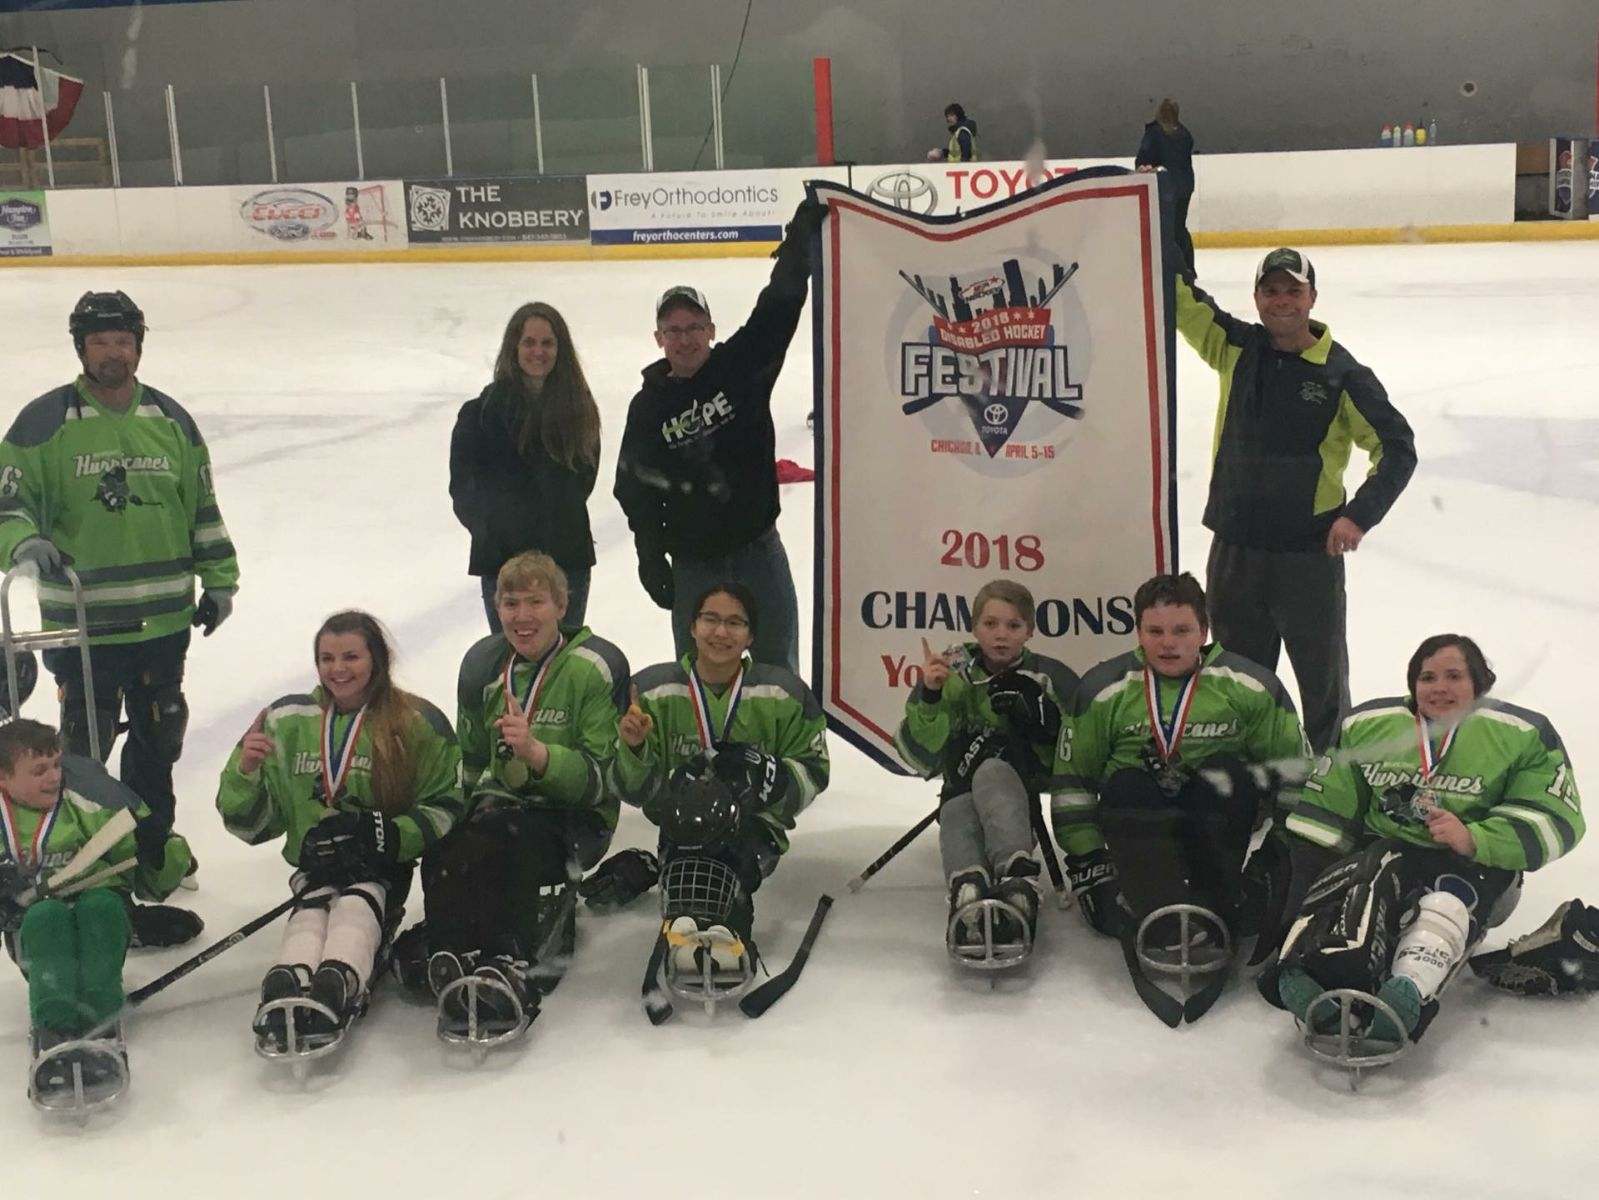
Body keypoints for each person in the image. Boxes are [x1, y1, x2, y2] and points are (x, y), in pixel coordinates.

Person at [0, 290, 239, 946]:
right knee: (83, 755)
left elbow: (202, 510)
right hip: (86, 629)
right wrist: (21, 543)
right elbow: (9, 503)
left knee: (159, 746)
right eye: (100, 340)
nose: (113, 350)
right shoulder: (44, 423)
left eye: (122, 338)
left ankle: (151, 856)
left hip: (163, 626)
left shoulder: (170, 420)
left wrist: (219, 581)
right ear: (82, 348)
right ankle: (83, 872)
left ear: (138, 343)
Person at [1261, 634, 1584, 1044]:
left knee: (1445, 906)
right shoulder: (1367, 726)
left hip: (1475, 866)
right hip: (1387, 854)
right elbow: (1328, 811)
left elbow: (1558, 817)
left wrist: (1474, 837)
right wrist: (1306, 890)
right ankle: (1306, 971)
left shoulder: (1523, 734)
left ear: (1479, 683)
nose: (1440, 688)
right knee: (1352, 886)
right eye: (1427, 677)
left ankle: (1409, 990)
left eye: (1454, 676)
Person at [1177, 249, 1416, 753]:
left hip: (1308, 558)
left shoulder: (1342, 374)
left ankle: (1333, 785)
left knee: (1322, 685)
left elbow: (1397, 449)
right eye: (1271, 290)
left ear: (1312, 297)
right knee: (1238, 681)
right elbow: (1182, 300)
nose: (1281, 301)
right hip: (1236, 549)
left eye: (1293, 290)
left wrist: (1358, 515)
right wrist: (1163, 205)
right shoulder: (1236, 346)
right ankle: (1247, 785)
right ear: (1256, 296)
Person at [1050, 573, 1308, 1011]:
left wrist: (1277, 857)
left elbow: (1297, 774)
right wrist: (1090, 860)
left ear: (1204, 631)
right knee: (1128, 784)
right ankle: (1156, 907)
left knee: (1227, 775)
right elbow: (1072, 782)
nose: (1168, 644)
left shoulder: (1252, 686)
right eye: (1155, 631)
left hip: (1213, 823)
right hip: (1141, 824)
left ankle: (1218, 897)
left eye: (1181, 630)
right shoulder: (1102, 689)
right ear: (1138, 633)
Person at [216, 611, 464, 1052]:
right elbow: (250, 824)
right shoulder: (285, 719)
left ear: (378, 660)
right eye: (327, 658)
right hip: (315, 869)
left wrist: (389, 835)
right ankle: (289, 978)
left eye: (351, 656)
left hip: (380, 870)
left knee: (355, 905)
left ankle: (338, 979)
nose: (338, 668)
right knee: (312, 909)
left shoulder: (416, 722)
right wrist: (246, 773)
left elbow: (447, 806)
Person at [414, 551, 629, 1034]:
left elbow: (603, 779)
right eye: (511, 603)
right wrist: (465, 821)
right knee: (450, 849)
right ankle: (451, 951)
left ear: (562, 605)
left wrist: (537, 754)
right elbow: (471, 761)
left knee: (521, 844)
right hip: (502, 810)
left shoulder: (593, 667)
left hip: (573, 815)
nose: (522, 616)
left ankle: (507, 959)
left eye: (536, 602)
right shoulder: (484, 667)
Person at [614, 197, 828, 675]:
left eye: (693, 327)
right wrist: (650, 555)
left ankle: (784, 750)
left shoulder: (740, 368)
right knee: (697, 676)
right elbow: (634, 488)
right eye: (673, 330)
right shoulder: (648, 408)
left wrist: (796, 253)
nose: (684, 339)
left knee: (778, 670)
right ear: (658, 339)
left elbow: (776, 311)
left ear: (711, 329)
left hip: (759, 550)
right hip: (694, 562)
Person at [608, 582, 829, 965]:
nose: (721, 632)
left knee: (733, 865)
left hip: (755, 827)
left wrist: (773, 778)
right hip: (681, 828)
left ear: (751, 635)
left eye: (735, 622)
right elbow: (634, 789)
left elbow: (816, 770)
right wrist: (635, 748)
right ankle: (693, 928)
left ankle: (729, 932)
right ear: (691, 627)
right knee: (688, 874)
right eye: (710, 619)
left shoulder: (783, 692)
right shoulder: (651, 690)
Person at [0, 718, 193, 1102]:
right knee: (45, 916)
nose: (54, 777)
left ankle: (101, 1022)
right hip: (35, 931)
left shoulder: (91, 804)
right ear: (3, 778)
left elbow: (152, 882)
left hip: (100, 914)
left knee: (102, 906)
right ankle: (53, 1029)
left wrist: (159, 851)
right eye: (38, 770)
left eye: (56, 765)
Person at [894, 579, 1077, 954]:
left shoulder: (1048, 674)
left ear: (1030, 630)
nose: (1001, 635)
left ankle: (1016, 878)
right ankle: (968, 887)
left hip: (1017, 785)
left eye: (1013, 625)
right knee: (958, 803)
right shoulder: (950, 670)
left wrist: (1044, 725)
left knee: (991, 770)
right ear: (974, 627)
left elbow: (1077, 755)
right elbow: (917, 755)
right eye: (991, 624)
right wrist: (930, 696)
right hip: (960, 787)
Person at [450, 302, 602, 632]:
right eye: (529, 342)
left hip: (567, 561)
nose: (538, 351)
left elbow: (583, 482)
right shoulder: (480, 413)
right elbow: (463, 491)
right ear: (513, 348)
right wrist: (496, 533)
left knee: (565, 664)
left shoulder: (579, 411)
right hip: (503, 565)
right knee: (512, 665)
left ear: (561, 349)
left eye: (547, 343)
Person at [1135, 97, 1196, 273]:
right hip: (1184, 186)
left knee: (1167, 230)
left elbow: (1143, 159)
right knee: (1179, 227)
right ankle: (1188, 266)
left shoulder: (1154, 133)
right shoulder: (1184, 133)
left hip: (1165, 188)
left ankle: (1176, 267)